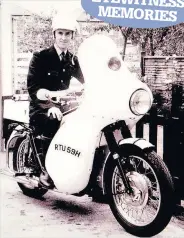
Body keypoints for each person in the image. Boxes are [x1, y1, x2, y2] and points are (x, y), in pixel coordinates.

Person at [27, 14, 84, 188]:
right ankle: (43, 169)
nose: (64, 37)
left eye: (68, 34)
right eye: (60, 33)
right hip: (41, 107)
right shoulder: (41, 57)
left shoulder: (72, 59)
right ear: (54, 34)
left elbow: (86, 78)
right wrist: (50, 106)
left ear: (72, 36)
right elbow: (34, 88)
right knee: (54, 120)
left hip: (64, 106)